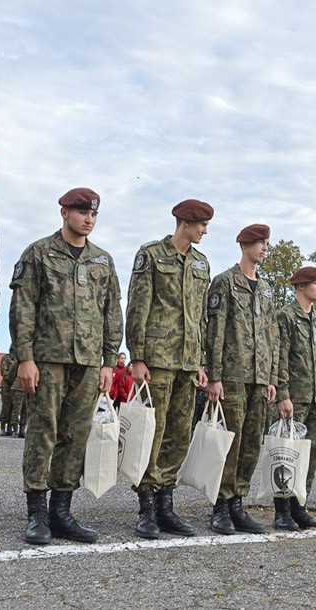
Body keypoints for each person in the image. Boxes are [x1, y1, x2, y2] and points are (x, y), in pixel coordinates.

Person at [10, 187, 123, 545]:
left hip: (88, 363)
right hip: (48, 359)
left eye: (93, 214)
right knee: (43, 432)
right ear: (64, 213)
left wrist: (108, 361)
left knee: (75, 437)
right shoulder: (39, 253)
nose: (88, 219)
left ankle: (61, 511)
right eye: (81, 212)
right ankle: (36, 514)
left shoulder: (102, 260)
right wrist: (25, 358)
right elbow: (23, 308)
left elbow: (111, 312)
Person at [125, 199, 213, 539]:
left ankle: (166, 505)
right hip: (158, 359)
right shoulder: (151, 255)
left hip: (188, 362)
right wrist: (137, 357)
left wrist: (201, 361)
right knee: (153, 432)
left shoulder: (200, 264)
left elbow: (201, 316)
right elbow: (138, 305)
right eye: (200, 224)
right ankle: (146, 508)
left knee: (178, 435)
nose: (204, 230)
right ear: (185, 222)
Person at [205, 224, 279, 535]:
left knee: (251, 444)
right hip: (232, 377)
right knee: (229, 444)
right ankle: (220, 507)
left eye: (266, 243)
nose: (264, 248)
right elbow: (215, 332)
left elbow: (271, 337)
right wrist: (214, 375)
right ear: (245, 245)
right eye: (260, 243)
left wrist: (272, 377)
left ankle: (238, 503)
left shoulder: (265, 290)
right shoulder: (224, 283)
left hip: (259, 379)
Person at [274, 265, 316, 530]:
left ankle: (300, 505)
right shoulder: (285, 316)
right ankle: (282, 510)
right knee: (286, 455)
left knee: (313, 454)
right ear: (301, 286)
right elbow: (280, 357)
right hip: (295, 398)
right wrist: (283, 395)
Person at [0, 351, 28, 438]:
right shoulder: (7, 358)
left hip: (20, 386)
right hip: (9, 386)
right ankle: (6, 427)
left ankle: (20, 429)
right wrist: (14, 382)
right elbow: (6, 373)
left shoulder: (24, 359)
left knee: (23, 408)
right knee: (7, 406)